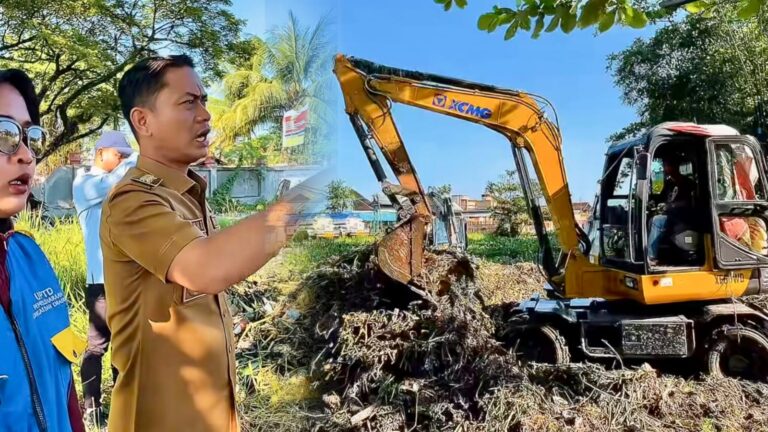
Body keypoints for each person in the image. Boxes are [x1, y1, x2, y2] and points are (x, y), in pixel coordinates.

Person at [100, 54, 324, 432]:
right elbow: (206, 268)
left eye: (203, 101)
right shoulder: (133, 201)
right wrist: (309, 196)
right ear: (143, 121)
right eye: (188, 102)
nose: (205, 115)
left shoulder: (188, 194)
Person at [0, 69, 86, 431]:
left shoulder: (28, 256)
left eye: (29, 136)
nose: (25, 155)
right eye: (4, 134)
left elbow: (64, 393)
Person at [72, 130, 138, 425]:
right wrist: (143, 154)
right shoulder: (84, 183)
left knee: (124, 344)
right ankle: (91, 410)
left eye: (126, 155)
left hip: (123, 278)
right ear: (100, 153)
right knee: (97, 346)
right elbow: (115, 180)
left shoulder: (118, 186)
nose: (123, 159)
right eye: (119, 155)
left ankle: (122, 409)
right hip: (100, 281)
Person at [647, 154, 696, 265]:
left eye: (666, 166)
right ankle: (661, 253)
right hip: (671, 216)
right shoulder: (669, 184)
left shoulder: (687, 183)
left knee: (657, 221)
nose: (664, 169)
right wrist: (652, 201)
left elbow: (688, 202)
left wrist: (670, 206)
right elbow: (661, 197)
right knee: (650, 219)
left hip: (683, 217)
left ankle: (651, 257)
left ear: (674, 167)